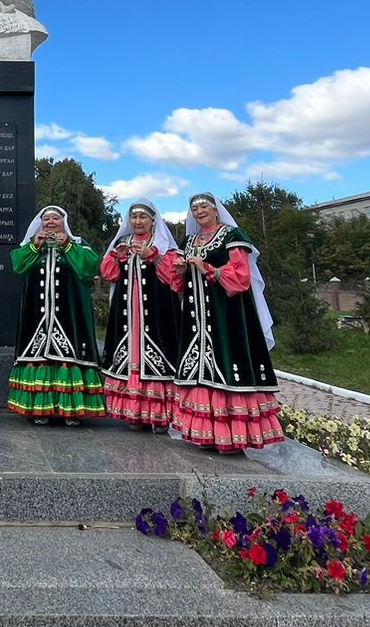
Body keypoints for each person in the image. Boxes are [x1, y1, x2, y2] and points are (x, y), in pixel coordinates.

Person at [167, 192, 284, 452]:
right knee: (201, 371)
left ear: (216, 210)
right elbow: (179, 284)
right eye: (195, 208)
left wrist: (208, 268)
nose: (199, 211)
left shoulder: (232, 235)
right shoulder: (189, 241)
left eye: (204, 206)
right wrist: (181, 270)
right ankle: (207, 434)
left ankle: (233, 436)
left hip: (227, 314)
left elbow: (241, 277)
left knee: (226, 365)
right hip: (196, 318)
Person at [8, 205, 105, 425]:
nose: (50, 222)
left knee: (68, 359)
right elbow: (17, 265)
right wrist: (34, 246)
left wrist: (67, 245)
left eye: (56, 218)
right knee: (39, 358)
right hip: (37, 317)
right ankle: (40, 410)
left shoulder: (78, 244)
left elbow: (88, 268)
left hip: (70, 316)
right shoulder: (33, 245)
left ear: (64, 222)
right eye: (46, 219)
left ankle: (71, 411)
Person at [100, 199, 182, 432]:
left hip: (157, 311)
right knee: (130, 357)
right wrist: (117, 257)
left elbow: (173, 277)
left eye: (143, 217)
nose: (137, 221)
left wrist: (153, 256)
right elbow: (108, 274)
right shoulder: (123, 243)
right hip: (127, 312)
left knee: (158, 356)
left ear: (153, 221)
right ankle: (135, 413)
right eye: (134, 217)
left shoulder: (163, 245)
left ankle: (159, 416)